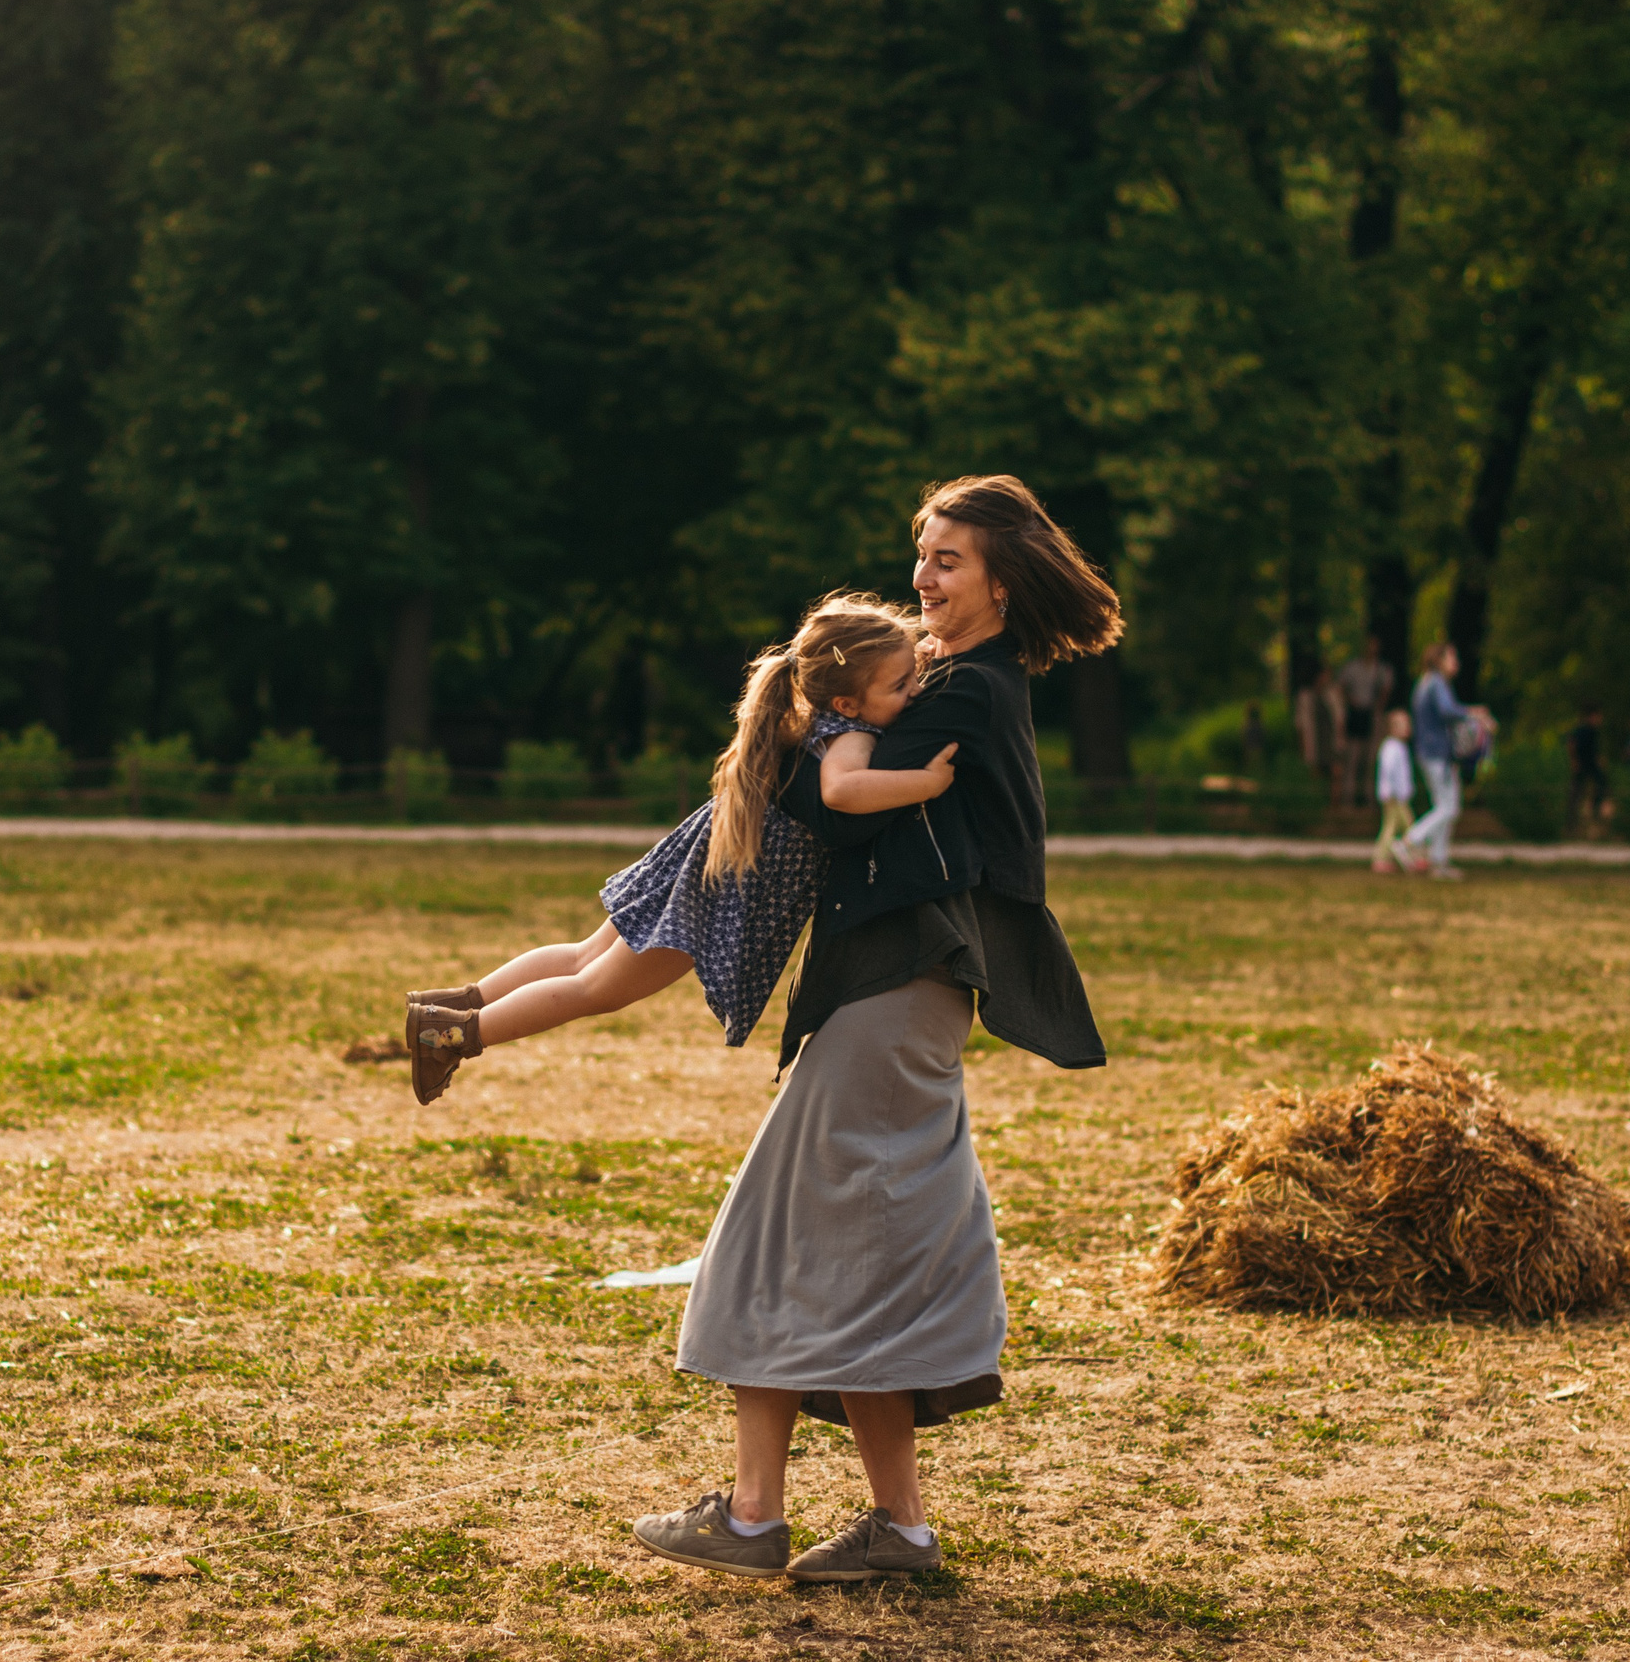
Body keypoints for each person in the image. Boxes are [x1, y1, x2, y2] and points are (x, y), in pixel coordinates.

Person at [629, 474, 1117, 1583]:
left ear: (1001, 577)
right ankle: (895, 1529)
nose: (923, 577)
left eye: (947, 560)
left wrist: (811, 717)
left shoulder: (964, 695)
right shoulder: (961, 683)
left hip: (895, 990)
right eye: (921, 554)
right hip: (891, 992)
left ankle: (755, 1518)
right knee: (856, 1253)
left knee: (776, 1241)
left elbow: (821, 797)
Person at [402, 593, 958, 1102]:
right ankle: (448, 1034)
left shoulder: (827, 707)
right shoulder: (852, 733)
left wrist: (928, 650)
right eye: (902, 684)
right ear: (848, 699)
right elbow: (841, 790)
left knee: (582, 956)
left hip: (713, 853)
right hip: (725, 886)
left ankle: (456, 1003)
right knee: (597, 987)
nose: (914, 691)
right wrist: (926, 785)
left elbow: (871, 690)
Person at [1405, 641, 1487, 880]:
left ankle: (1438, 861)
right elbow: (1447, 711)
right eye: (1452, 658)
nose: (1456, 664)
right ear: (1439, 660)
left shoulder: (1424, 683)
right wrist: (1474, 714)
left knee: (1446, 806)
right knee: (1448, 807)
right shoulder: (1437, 683)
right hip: (1437, 753)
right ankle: (1413, 840)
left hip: (1430, 752)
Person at [1335, 637, 1395, 805]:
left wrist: (1377, 707)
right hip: (1355, 715)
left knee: (1371, 759)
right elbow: (1341, 686)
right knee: (1353, 757)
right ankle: (1349, 797)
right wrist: (1351, 701)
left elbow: (1386, 689)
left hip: (1372, 716)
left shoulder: (1382, 669)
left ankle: (1370, 797)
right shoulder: (1353, 668)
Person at [1371, 709, 1416, 873]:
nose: (1407, 728)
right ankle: (1383, 858)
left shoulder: (1399, 747)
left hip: (1399, 795)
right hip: (1394, 796)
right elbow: (1390, 771)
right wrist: (1395, 791)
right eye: (1402, 725)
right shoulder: (1391, 747)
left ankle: (1396, 856)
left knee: (1401, 826)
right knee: (1398, 827)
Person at [1566, 705, 1608, 825]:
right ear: (1592, 716)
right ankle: (1573, 821)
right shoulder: (1583, 730)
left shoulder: (1594, 731)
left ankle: (1593, 811)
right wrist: (1574, 761)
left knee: (1601, 784)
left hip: (1590, 764)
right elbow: (1571, 743)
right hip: (1583, 764)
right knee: (1577, 792)